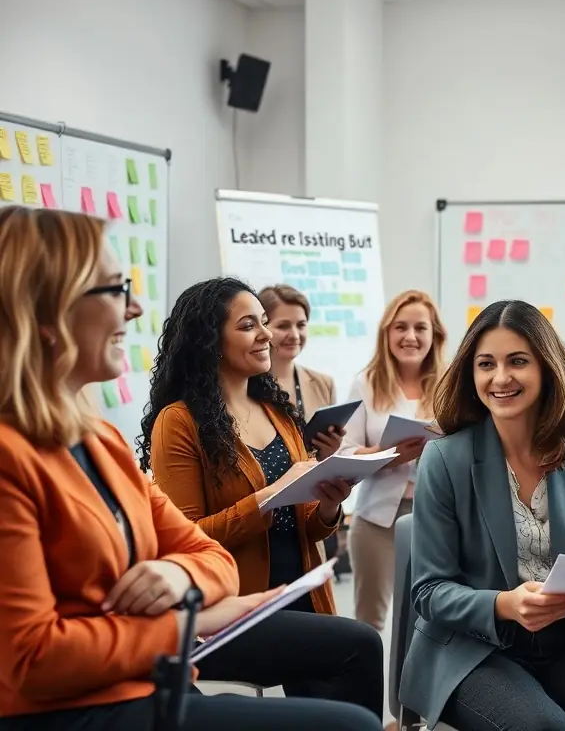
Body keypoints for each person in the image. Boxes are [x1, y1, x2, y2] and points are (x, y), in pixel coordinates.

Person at [0, 206, 380, 731]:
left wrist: (176, 571)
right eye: (114, 290)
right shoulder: (16, 456)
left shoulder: (100, 440)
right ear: (45, 315)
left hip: (149, 676)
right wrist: (186, 622)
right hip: (89, 704)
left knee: (355, 675)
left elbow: (206, 557)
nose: (133, 309)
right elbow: (32, 660)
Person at [138, 276, 384, 720]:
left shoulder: (277, 412)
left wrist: (330, 501)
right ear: (211, 340)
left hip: (303, 599)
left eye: (264, 322)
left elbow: (307, 523)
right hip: (230, 616)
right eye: (249, 325)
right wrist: (269, 497)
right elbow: (185, 542)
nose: (267, 335)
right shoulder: (179, 423)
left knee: (343, 681)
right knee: (361, 645)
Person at [399, 300, 565, 731]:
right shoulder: (444, 457)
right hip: (473, 650)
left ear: (547, 368)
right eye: (486, 364)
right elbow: (429, 592)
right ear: (471, 375)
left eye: (518, 362)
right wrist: (504, 604)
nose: (501, 378)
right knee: (544, 728)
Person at [338, 290, 447, 629]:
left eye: (420, 328)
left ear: (434, 336)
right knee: (369, 622)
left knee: (427, 620)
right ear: (387, 333)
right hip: (376, 520)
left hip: (437, 518)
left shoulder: (450, 387)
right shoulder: (366, 384)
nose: (410, 336)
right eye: (400, 327)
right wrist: (389, 454)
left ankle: (413, 685)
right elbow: (345, 454)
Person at [258, 284, 341, 451]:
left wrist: (334, 450)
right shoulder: (242, 386)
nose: (295, 335)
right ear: (262, 328)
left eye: (301, 325)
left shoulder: (324, 384)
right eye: (283, 326)